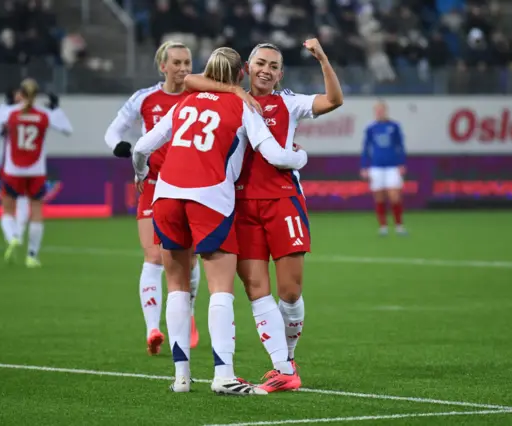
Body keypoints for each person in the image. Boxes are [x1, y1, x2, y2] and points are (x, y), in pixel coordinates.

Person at [131, 47, 309, 395]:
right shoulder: (243, 105)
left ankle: (181, 377)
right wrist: (301, 155)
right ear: (240, 75)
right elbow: (274, 154)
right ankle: (224, 374)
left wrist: (140, 173)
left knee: (178, 285)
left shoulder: (183, 102)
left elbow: (142, 146)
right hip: (209, 198)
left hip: (165, 196)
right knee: (220, 288)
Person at [183, 39, 343, 392]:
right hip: (241, 206)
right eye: (260, 63)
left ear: (280, 73)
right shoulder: (232, 98)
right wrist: (234, 90)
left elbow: (333, 100)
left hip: (283, 201)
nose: (266, 70)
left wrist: (322, 59)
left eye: (273, 66)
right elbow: (190, 81)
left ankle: (288, 358)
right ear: (247, 69)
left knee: (289, 292)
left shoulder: (289, 102)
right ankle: (283, 369)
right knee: (257, 289)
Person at [104, 41, 203, 356]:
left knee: (190, 257)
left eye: (187, 62)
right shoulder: (145, 98)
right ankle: (153, 329)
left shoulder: (200, 96)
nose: (183, 68)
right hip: (153, 183)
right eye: (176, 62)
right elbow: (113, 131)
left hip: (192, 185)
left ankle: (187, 316)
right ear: (162, 66)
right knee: (152, 255)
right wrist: (120, 147)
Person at [0, 78, 73, 267]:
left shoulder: (10, 113)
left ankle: (14, 236)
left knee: (7, 209)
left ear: (20, 94)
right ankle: (32, 255)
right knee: (37, 212)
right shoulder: (44, 114)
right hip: (37, 169)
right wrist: (56, 109)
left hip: (13, 169)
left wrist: (2, 126)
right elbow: (67, 129)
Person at [0, 89, 30, 245]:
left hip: (27, 163)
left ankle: (16, 236)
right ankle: (14, 235)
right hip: (11, 164)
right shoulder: (4, 112)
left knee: (22, 201)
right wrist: (1, 130)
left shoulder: (27, 111)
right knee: (14, 200)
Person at [360, 100, 407, 236]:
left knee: (394, 196)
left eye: (381, 110)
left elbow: (400, 146)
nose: (379, 112)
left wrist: (401, 163)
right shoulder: (370, 128)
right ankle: (383, 226)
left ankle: (399, 225)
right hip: (376, 167)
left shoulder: (394, 126)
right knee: (379, 197)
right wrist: (364, 166)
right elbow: (366, 148)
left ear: (385, 110)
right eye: (377, 110)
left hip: (392, 166)